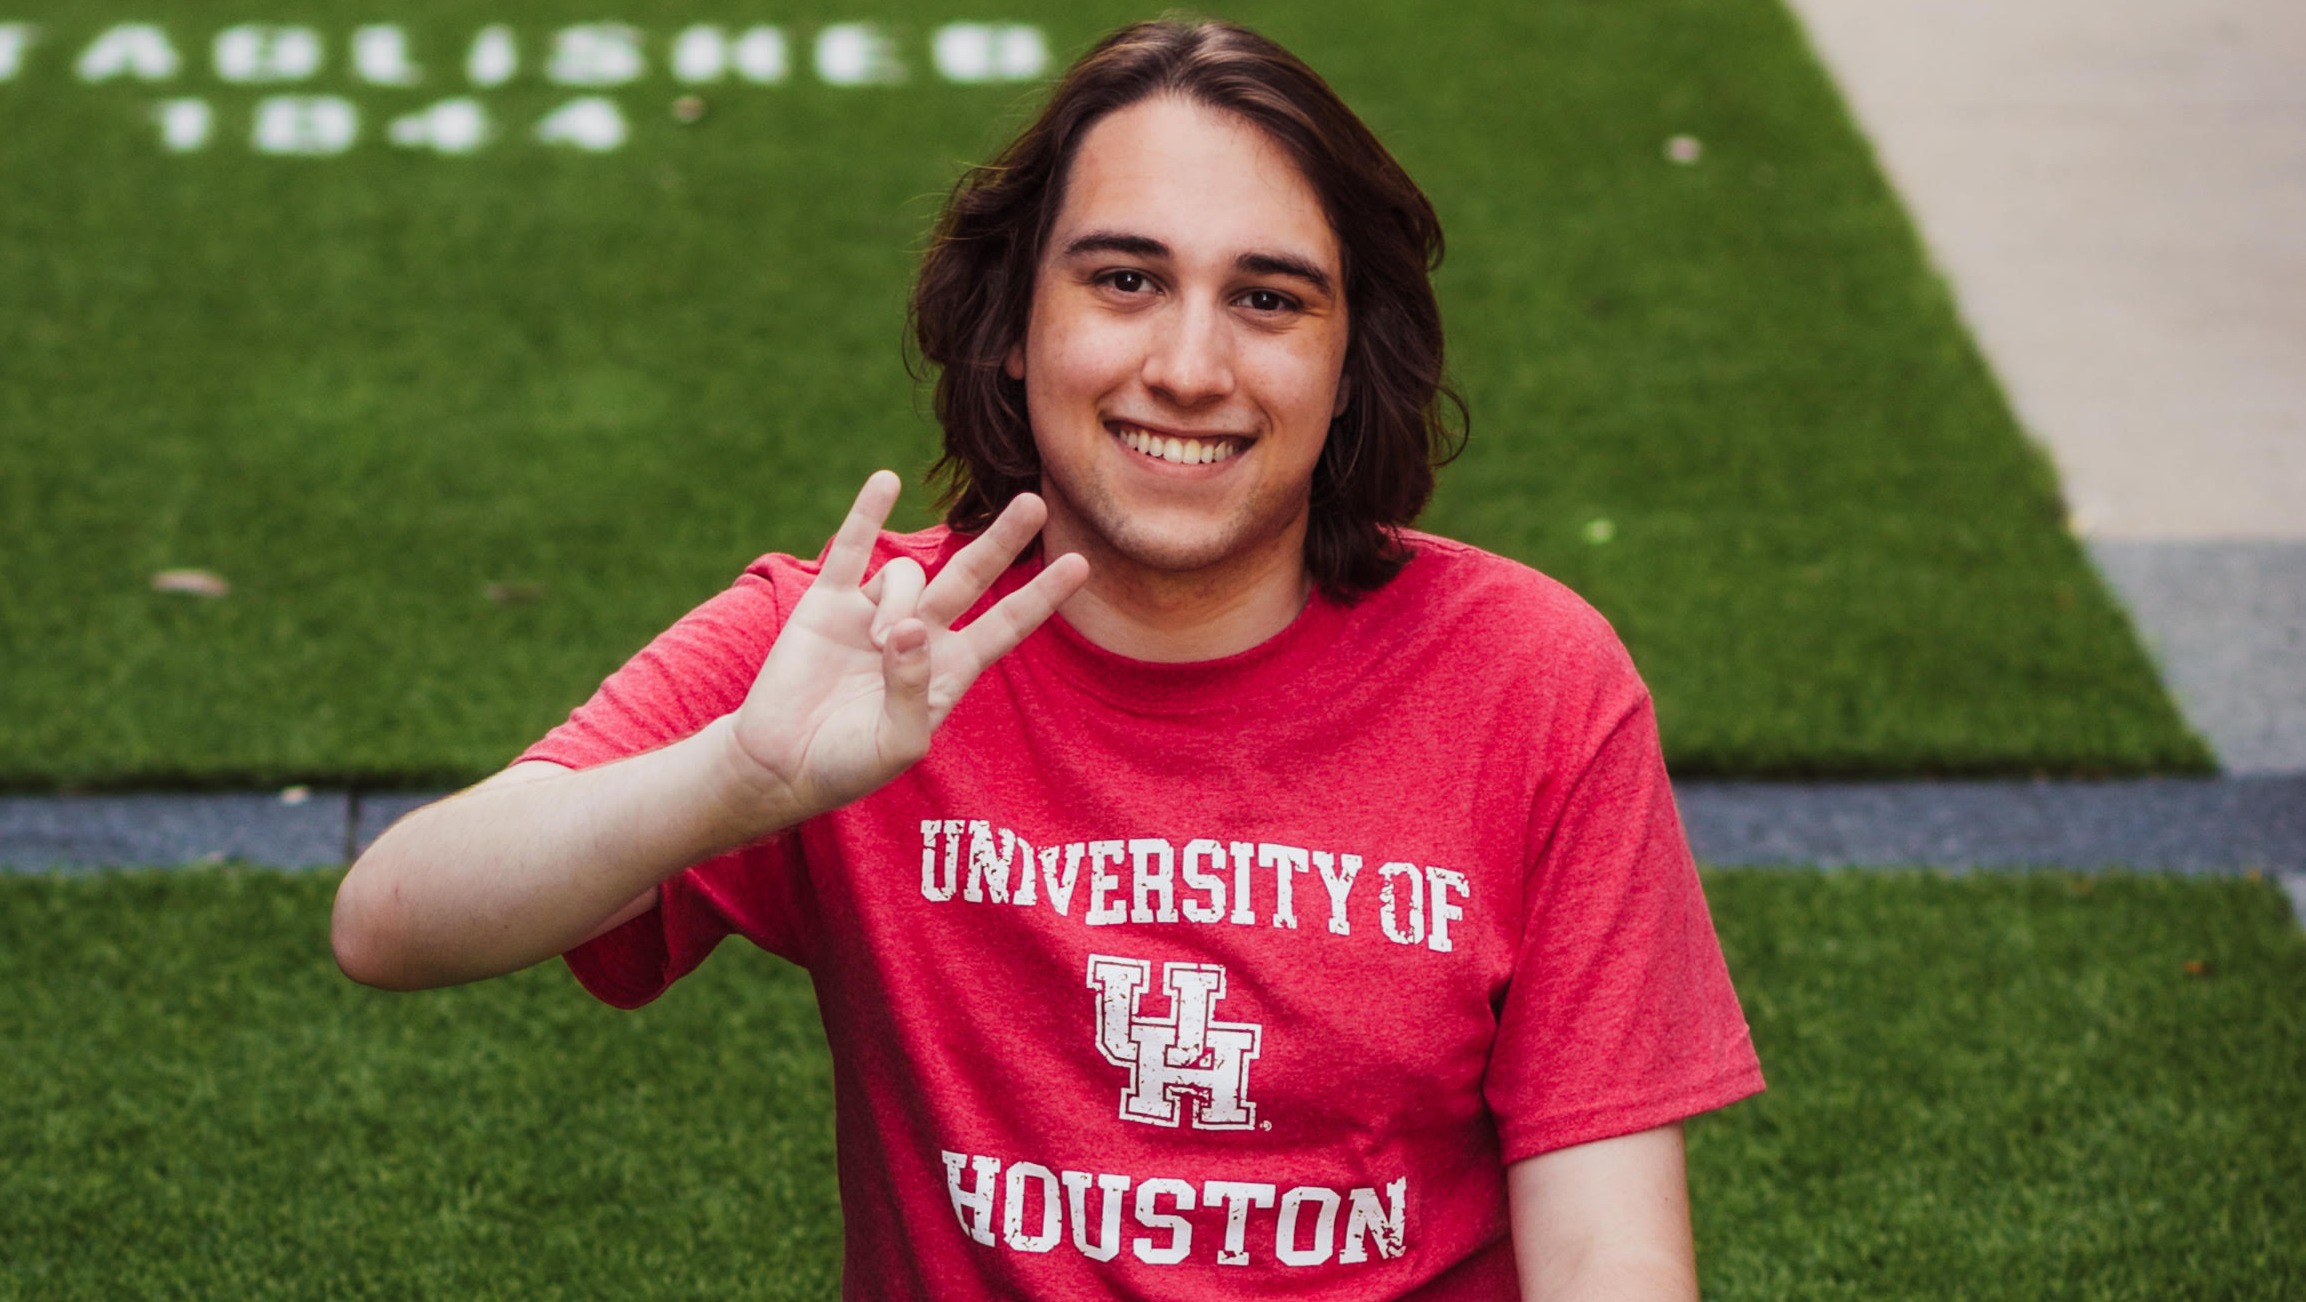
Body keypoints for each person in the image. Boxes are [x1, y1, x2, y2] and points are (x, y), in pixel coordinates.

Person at [332, 18, 1763, 1299]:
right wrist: (734, 779)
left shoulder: (1528, 676)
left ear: (1349, 364)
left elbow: (1609, 1256)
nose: (1189, 367)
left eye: (1268, 299)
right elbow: (392, 918)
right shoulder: (868, 646)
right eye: (1125, 279)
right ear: (1014, 326)